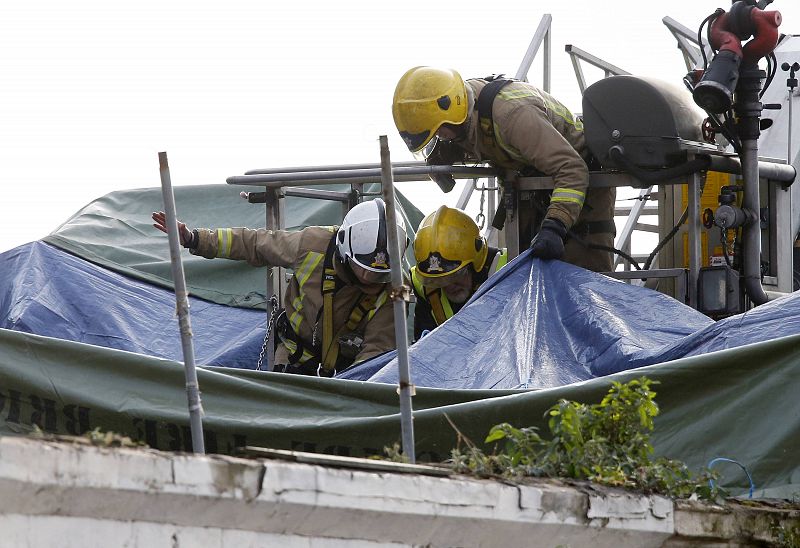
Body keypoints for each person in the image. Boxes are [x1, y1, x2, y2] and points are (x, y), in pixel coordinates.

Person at [392, 66, 616, 272]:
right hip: (533, 186)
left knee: (587, 279)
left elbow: (572, 169)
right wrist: (442, 159)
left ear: (454, 115)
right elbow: (475, 140)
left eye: (440, 132)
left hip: (582, 187)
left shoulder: (512, 115)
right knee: (529, 275)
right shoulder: (463, 114)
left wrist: (556, 223)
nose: (441, 139)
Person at [152, 199, 407, 376]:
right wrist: (194, 239)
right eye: (360, 266)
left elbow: (376, 353)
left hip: (348, 370)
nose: (367, 277)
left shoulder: (396, 288)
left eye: (377, 274)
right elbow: (254, 243)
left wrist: (353, 390)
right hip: (293, 360)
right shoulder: (313, 245)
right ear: (343, 248)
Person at [410, 205, 507, 340]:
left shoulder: (507, 270)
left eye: (455, 275)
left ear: (476, 263)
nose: (449, 285)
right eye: (439, 280)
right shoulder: (424, 287)